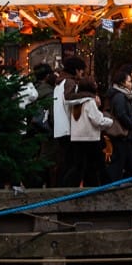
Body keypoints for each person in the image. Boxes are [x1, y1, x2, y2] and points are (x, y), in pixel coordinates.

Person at [62, 79, 111, 188]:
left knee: (79, 166)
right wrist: (110, 121)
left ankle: (69, 186)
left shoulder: (75, 102)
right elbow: (97, 120)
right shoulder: (90, 102)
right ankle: (102, 185)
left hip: (76, 138)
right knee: (96, 165)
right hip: (90, 138)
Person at [51, 55, 86, 183]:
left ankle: (60, 187)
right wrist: (88, 96)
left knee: (65, 162)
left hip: (60, 129)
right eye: (82, 69)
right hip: (69, 129)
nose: (83, 73)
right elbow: (69, 98)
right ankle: (66, 189)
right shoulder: (70, 82)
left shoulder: (59, 83)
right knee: (73, 163)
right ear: (76, 70)